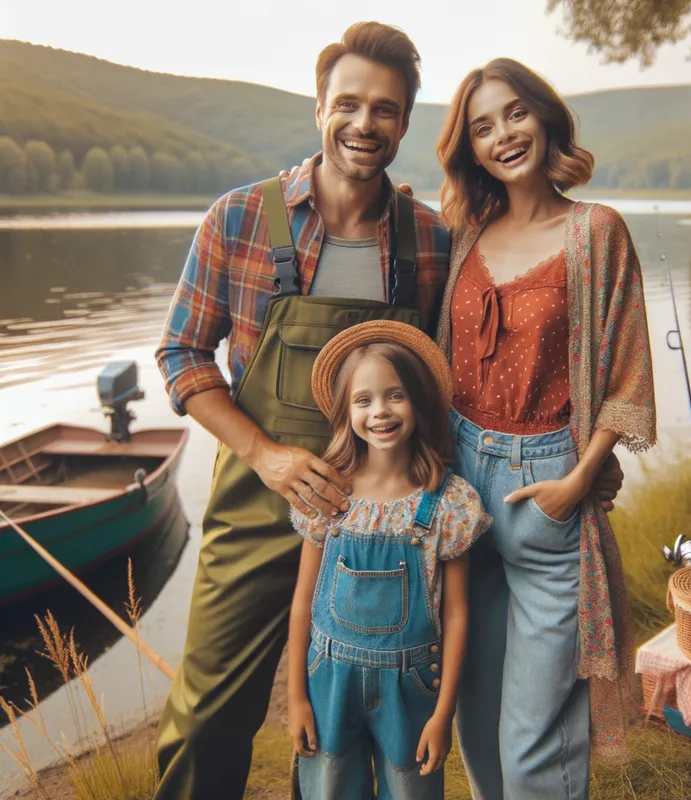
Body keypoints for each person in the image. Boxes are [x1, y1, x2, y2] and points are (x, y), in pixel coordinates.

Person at [155, 20, 625, 797]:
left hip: (393, 522)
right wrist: (265, 456)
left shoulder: (434, 239)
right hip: (260, 507)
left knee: (392, 723)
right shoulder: (239, 218)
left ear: (405, 122)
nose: (364, 124)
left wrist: (585, 462)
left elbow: (471, 376)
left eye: (385, 109)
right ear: (319, 108)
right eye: (349, 104)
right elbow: (180, 355)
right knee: (207, 716)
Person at [434, 59, 657, 799]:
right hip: (462, 485)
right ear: (467, 147)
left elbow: (625, 376)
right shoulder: (465, 233)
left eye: (515, 114)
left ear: (546, 117)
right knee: (476, 720)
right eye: (482, 126)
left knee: (537, 742)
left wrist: (579, 479)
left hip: (546, 491)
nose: (503, 135)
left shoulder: (596, 232)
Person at [288, 320, 489, 798]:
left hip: (411, 688)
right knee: (330, 787)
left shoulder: (448, 502)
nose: (380, 411)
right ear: (346, 410)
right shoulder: (327, 494)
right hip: (328, 682)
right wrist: (296, 696)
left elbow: (456, 614)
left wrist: (443, 714)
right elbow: (301, 602)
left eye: (395, 396)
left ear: (418, 402)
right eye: (364, 400)